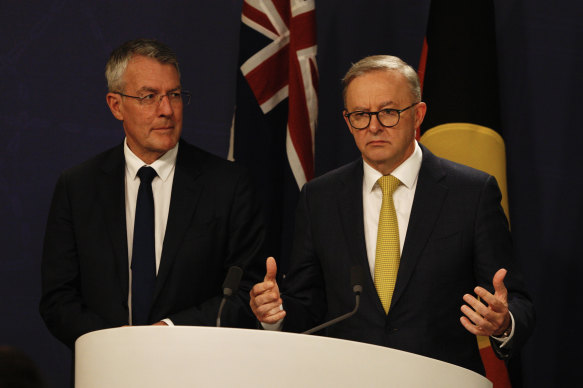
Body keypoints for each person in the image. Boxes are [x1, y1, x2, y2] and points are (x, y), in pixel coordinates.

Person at [249, 55, 534, 374]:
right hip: (347, 378)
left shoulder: (472, 193)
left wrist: (502, 323)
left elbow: (517, 305)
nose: (373, 126)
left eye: (388, 112)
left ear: (418, 114)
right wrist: (275, 314)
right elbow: (307, 306)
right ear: (348, 121)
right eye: (360, 114)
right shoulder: (320, 198)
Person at [40, 38, 265, 349]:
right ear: (116, 105)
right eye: (149, 97)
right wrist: (115, 344)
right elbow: (58, 298)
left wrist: (170, 331)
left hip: (196, 367)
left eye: (174, 95)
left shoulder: (228, 185)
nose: (167, 110)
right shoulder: (77, 187)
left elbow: (247, 293)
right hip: (106, 369)